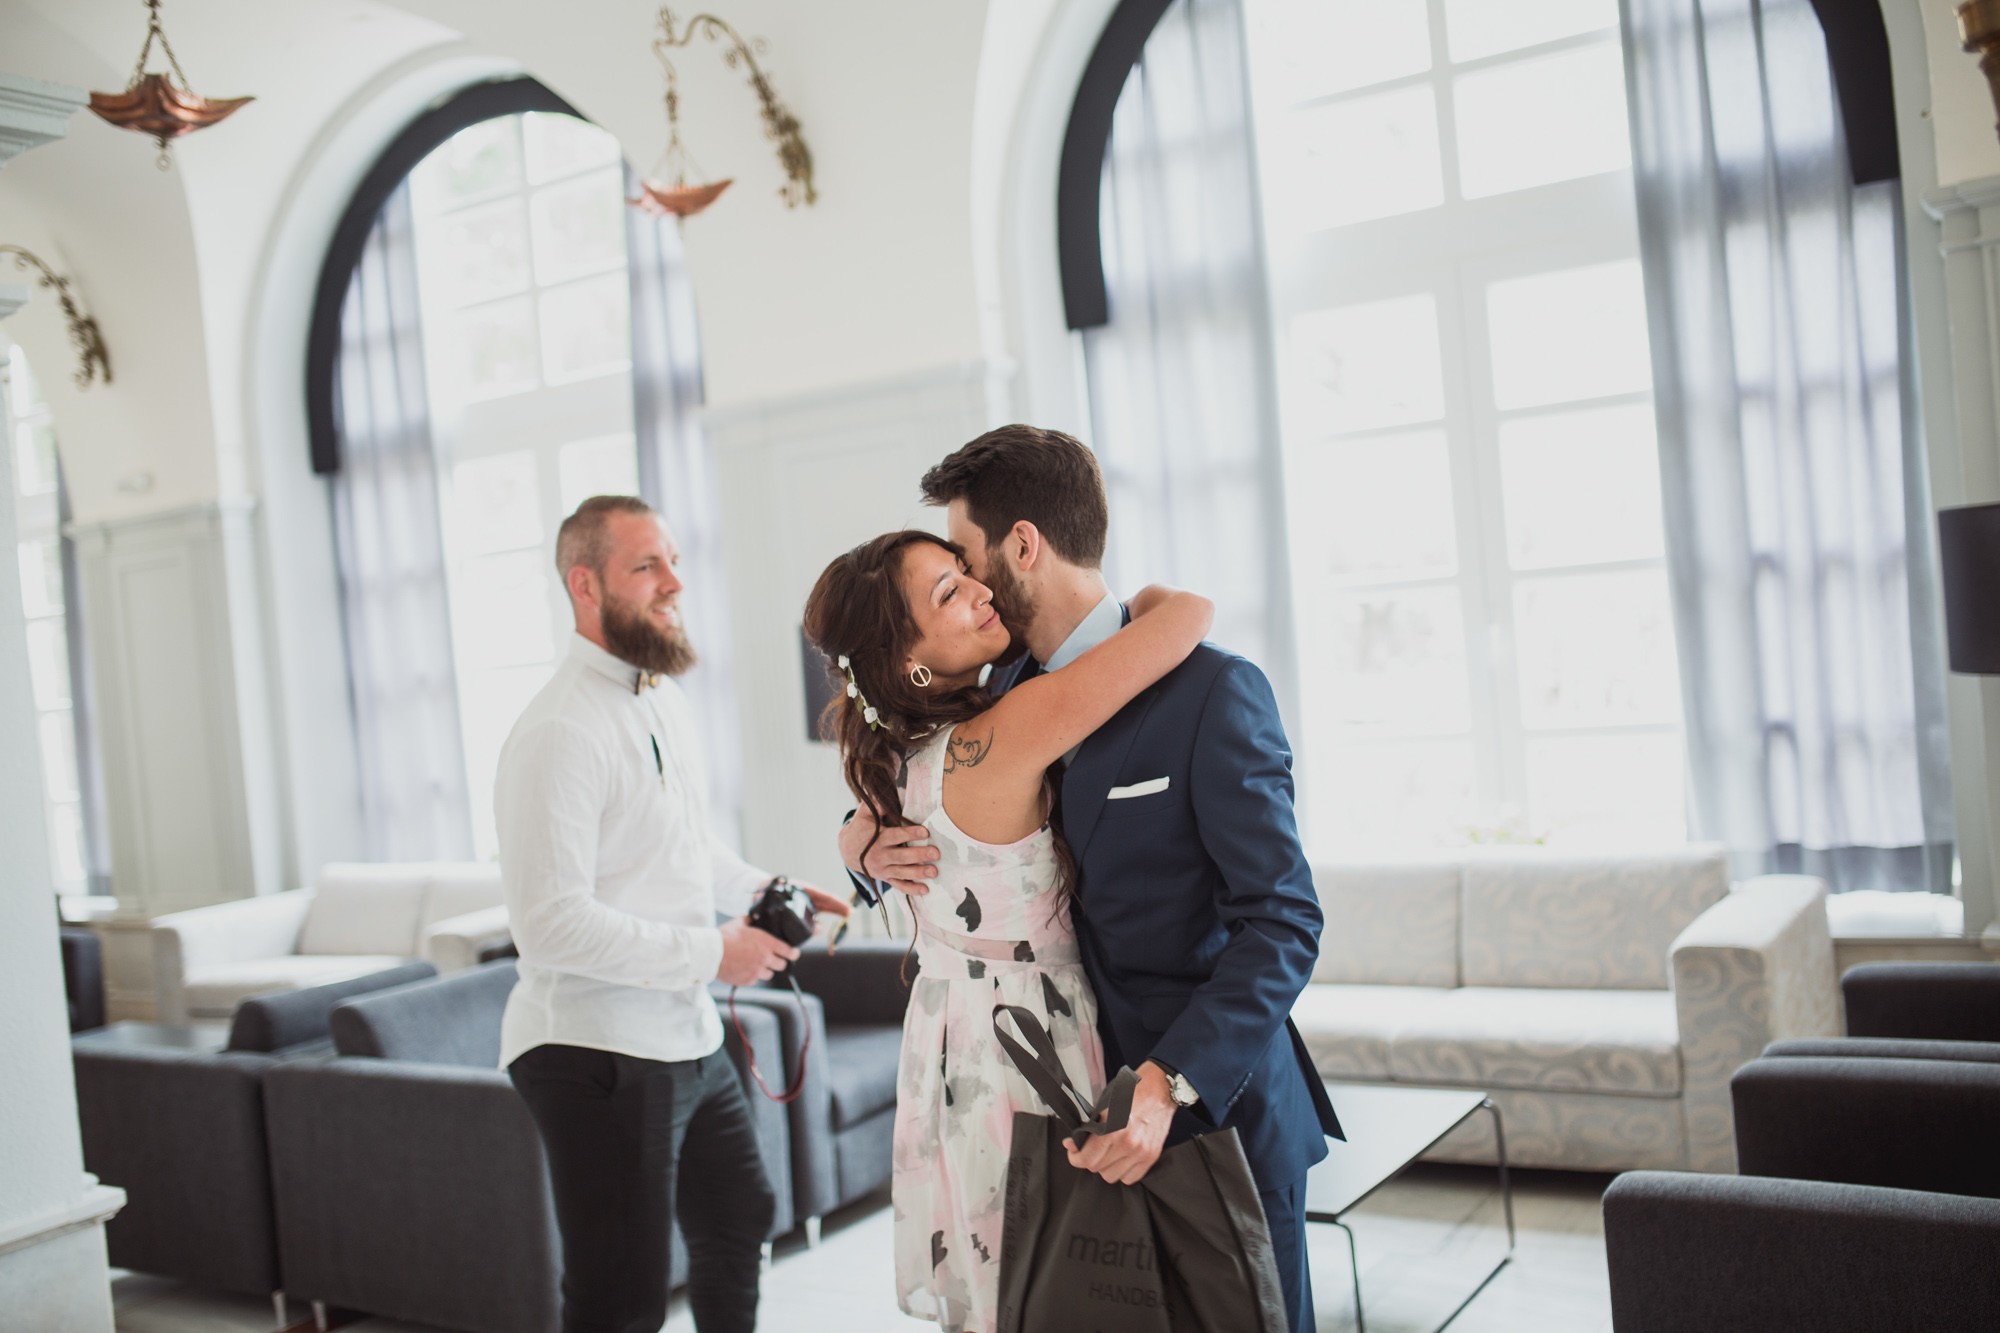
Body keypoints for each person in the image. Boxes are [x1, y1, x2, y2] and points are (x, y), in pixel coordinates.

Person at [841, 426, 1342, 1333]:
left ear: (1021, 544)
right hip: (1062, 1115)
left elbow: (1284, 919)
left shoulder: (1211, 692)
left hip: (1212, 1112)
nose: (971, 584)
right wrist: (859, 844)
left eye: (966, 557)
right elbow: (919, 789)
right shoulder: (996, 697)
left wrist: (1168, 1082)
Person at [803, 529, 1213, 1333]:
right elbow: (1187, 616)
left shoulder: (898, 758)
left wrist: (853, 838)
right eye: (948, 594)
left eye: (964, 571)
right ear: (910, 660)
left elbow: (866, 830)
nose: (980, 589)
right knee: (1070, 1280)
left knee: (1010, 1286)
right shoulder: (1006, 732)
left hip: (949, 1046)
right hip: (1026, 1044)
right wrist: (1150, 597)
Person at [497, 494, 849, 1333]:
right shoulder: (557, 731)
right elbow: (549, 922)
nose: (674, 583)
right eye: (647, 566)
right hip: (592, 1050)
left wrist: (774, 890)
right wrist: (712, 952)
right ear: (585, 584)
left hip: (682, 1033)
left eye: (675, 562)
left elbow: (687, 853)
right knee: (622, 1295)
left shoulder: (660, 701)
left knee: (739, 1213)